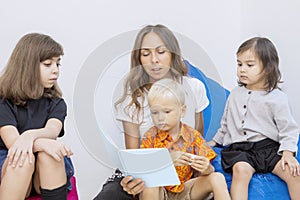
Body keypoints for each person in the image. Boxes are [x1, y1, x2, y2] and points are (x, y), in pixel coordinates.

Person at [94, 24, 209, 199]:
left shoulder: (193, 88)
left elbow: (198, 139)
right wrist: (135, 180)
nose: (154, 60)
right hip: (145, 175)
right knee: (110, 195)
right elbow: (134, 160)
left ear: (172, 54)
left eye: (161, 52)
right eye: (146, 54)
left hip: (183, 174)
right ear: (139, 59)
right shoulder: (132, 102)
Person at [208, 37, 300, 200]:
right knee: (240, 170)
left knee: (294, 174)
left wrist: (287, 154)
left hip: (268, 149)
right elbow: (225, 124)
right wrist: (214, 142)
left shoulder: (277, 98)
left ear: (267, 67)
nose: (242, 69)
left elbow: (288, 130)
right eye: (239, 64)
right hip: (241, 150)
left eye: (249, 65)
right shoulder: (235, 94)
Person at [0, 33, 73, 200]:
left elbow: (52, 130)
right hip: (11, 162)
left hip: (44, 169)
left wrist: (29, 135)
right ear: (27, 66)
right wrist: (41, 143)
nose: (55, 70)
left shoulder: (56, 103)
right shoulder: (3, 101)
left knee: (49, 155)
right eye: (48, 64)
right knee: (23, 159)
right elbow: (14, 144)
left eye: (57, 64)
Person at [140, 78, 230, 200]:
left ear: (182, 111)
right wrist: (167, 160)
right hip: (160, 193)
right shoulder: (150, 136)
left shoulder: (193, 136)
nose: (160, 118)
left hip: (186, 191)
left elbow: (207, 171)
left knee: (217, 177)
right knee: (150, 183)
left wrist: (207, 169)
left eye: (167, 112)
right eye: (155, 112)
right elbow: (143, 169)